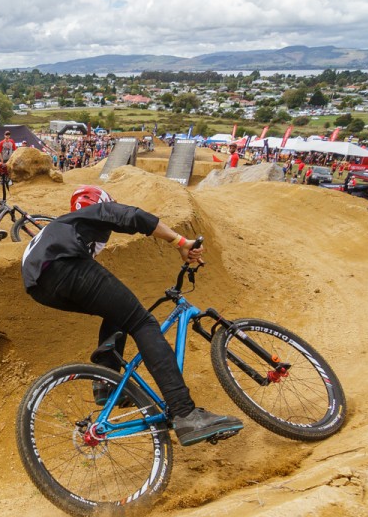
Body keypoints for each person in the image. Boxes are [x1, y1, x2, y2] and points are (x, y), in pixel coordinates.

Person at [21, 185, 244, 447]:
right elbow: (130, 216)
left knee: (117, 313)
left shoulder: (61, 228)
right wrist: (180, 242)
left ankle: (106, 384)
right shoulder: (93, 212)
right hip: (64, 265)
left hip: (38, 286)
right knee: (142, 323)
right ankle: (186, 413)